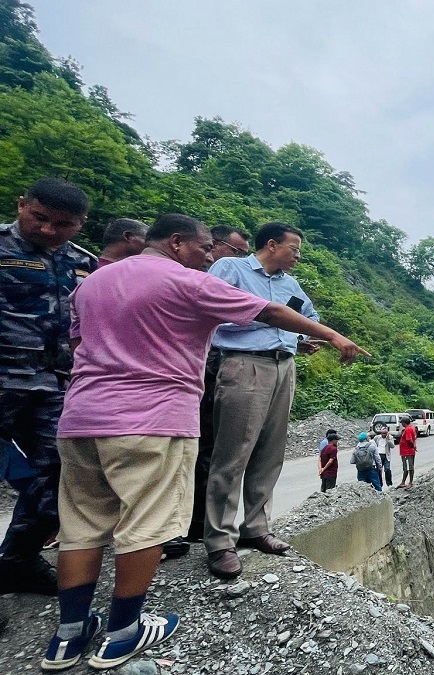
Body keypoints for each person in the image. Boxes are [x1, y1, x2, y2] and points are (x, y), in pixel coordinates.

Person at [42, 214, 367, 670]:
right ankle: (122, 633)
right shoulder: (189, 280)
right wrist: (333, 335)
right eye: (204, 249)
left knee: (79, 525)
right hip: (153, 415)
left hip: (83, 415)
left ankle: (68, 635)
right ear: (177, 243)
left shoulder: (92, 282)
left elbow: (77, 346)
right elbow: (267, 313)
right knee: (147, 522)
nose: (210, 257)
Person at [204, 222, 331, 579]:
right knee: (232, 455)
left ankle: (256, 527)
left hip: (284, 367)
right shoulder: (231, 268)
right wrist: (272, 321)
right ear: (271, 245)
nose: (297, 257)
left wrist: (294, 334)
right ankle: (219, 542)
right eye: (294, 249)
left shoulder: (289, 284)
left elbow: (310, 317)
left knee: (270, 453)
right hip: (244, 364)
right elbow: (213, 311)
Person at [0, 177, 95, 597]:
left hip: (54, 384)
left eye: (63, 224)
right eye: (39, 218)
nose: (48, 230)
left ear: (80, 223)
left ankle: (17, 560)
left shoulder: (83, 264)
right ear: (21, 205)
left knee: (57, 473)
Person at [183, 224, 252, 544]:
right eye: (236, 251)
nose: (212, 256)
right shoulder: (185, 281)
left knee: (206, 450)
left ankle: (197, 526)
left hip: (206, 370)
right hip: (182, 376)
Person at [397, 415, 417, 489]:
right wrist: (414, 446)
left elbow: (409, 440)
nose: (401, 424)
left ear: (404, 423)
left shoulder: (408, 429)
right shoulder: (411, 428)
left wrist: (412, 447)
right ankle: (403, 482)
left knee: (409, 467)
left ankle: (410, 482)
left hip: (407, 452)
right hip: (407, 451)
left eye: (402, 422)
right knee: (406, 467)